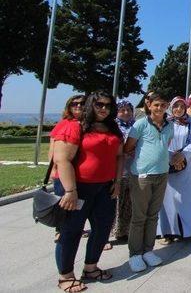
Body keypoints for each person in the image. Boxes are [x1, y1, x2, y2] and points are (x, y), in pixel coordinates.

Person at [52, 91, 124, 291]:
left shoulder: (112, 127)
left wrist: (117, 181)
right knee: (71, 231)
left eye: (108, 105)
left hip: (105, 187)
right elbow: (62, 159)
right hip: (78, 187)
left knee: (102, 229)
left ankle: (90, 267)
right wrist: (70, 190)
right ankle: (65, 276)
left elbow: (119, 156)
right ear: (91, 105)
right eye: (99, 104)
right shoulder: (76, 126)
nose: (104, 109)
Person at [124, 93, 173, 273]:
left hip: (162, 174)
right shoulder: (140, 124)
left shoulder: (170, 126)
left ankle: (148, 250)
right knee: (139, 217)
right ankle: (135, 254)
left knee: (153, 215)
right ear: (149, 106)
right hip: (142, 176)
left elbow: (165, 146)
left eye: (163, 105)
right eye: (156, 105)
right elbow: (128, 147)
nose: (159, 108)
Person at [157, 98, 191, 243]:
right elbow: (160, 142)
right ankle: (169, 232)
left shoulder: (189, 124)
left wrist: (182, 155)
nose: (178, 109)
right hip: (168, 166)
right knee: (168, 200)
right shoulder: (164, 124)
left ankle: (188, 230)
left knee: (185, 200)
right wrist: (172, 157)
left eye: (182, 106)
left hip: (184, 166)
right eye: (176, 106)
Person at [49, 95, 85, 244]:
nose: (78, 107)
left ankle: (67, 230)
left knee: (74, 208)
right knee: (66, 207)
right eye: (74, 104)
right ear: (69, 107)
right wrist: (53, 168)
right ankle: (61, 231)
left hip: (76, 174)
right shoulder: (68, 124)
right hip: (64, 174)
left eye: (82, 104)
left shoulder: (83, 124)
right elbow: (53, 150)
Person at [111, 99, 136, 244]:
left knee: (129, 202)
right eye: (122, 110)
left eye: (128, 110)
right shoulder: (113, 127)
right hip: (117, 169)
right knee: (115, 202)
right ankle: (110, 232)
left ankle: (125, 231)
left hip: (133, 169)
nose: (126, 112)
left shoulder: (136, 126)